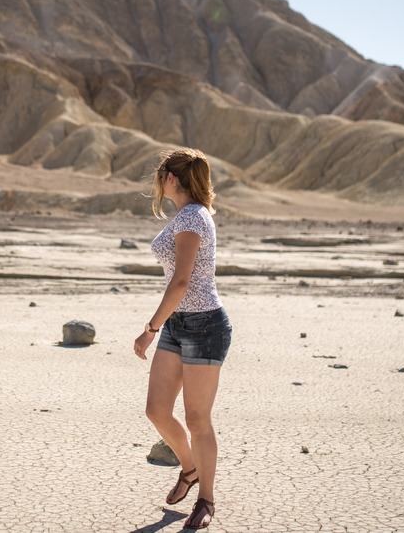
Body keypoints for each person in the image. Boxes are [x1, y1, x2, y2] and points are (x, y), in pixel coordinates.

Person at [133, 147, 233, 530]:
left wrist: (150, 328)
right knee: (157, 410)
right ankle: (189, 468)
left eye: (160, 175)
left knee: (197, 418)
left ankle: (206, 499)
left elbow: (181, 282)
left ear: (171, 179)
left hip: (205, 326)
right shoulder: (185, 215)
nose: (157, 182)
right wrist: (165, 324)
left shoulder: (192, 218)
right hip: (179, 324)